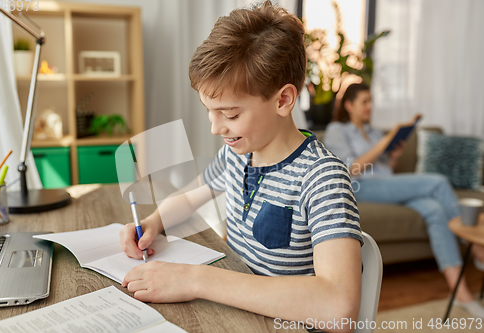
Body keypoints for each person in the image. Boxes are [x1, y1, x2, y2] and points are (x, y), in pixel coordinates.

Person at [119, 2, 363, 331]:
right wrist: (153, 222)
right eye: (210, 110)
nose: (215, 128)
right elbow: (191, 197)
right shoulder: (237, 154)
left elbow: (339, 308)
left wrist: (195, 279)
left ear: (283, 100)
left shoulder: (322, 178)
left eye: (231, 115)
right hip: (233, 316)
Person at [324, 82, 484, 318]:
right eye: (364, 102)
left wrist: (394, 156)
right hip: (361, 187)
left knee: (434, 210)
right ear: (349, 105)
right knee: (438, 182)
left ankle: (460, 293)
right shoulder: (337, 130)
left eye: (371, 101)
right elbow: (350, 169)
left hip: (387, 186)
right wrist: (384, 142)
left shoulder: (374, 130)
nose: (370, 106)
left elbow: (386, 170)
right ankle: (479, 248)